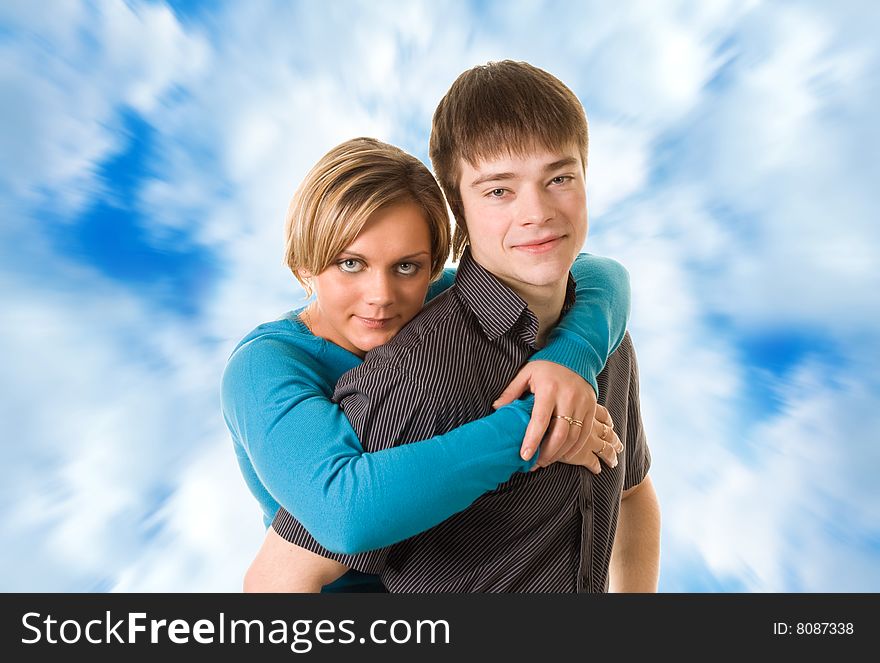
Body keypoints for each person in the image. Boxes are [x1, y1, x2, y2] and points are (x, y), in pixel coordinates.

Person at [263, 61, 660, 593]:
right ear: (459, 210)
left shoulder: (605, 339)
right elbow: (278, 580)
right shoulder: (418, 373)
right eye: (499, 191)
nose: (537, 212)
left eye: (559, 178)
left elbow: (632, 493)